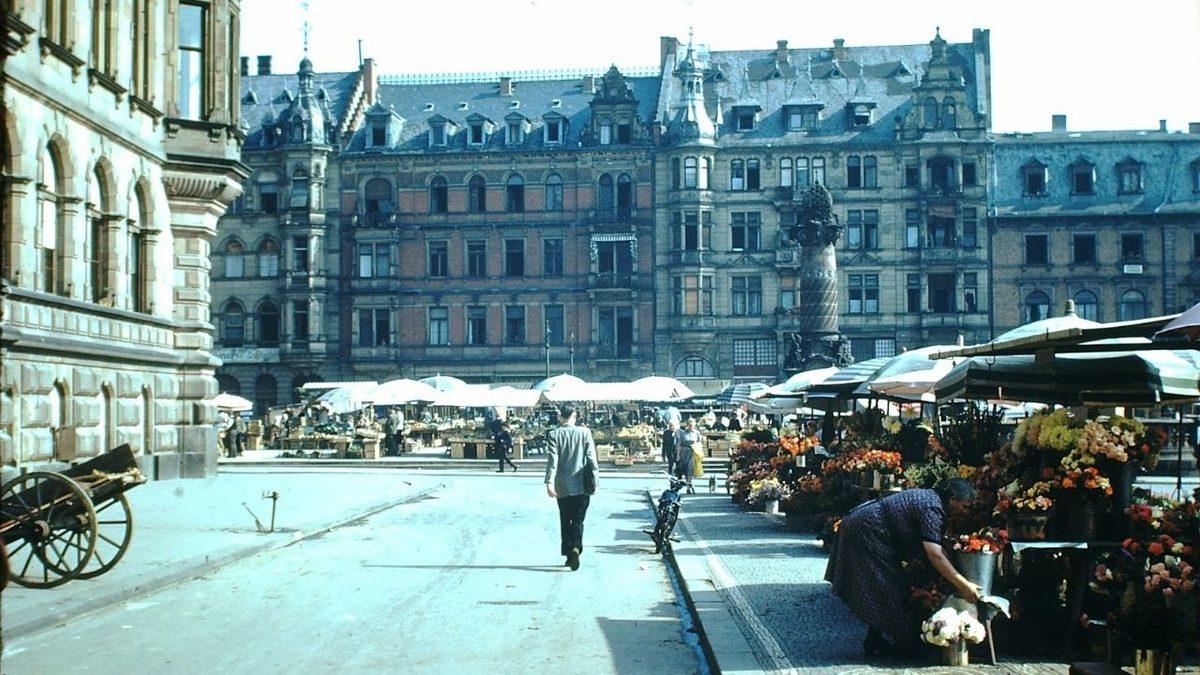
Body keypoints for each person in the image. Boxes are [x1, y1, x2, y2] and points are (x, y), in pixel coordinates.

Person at [824, 478, 982, 658]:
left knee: (881, 584)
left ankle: (876, 640)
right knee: (886, 584)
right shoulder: (932, 508)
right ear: (953, 499)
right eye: (964, 506)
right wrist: (963, 584)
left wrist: (954, 574)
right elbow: (935, 554)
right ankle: (902, 643)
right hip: (866, 531)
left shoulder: (934, 502)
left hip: (868, 528)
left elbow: (938, 549)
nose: (965, 511)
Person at [543, 406, 599, 571]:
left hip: (563, 486)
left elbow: (552, 461)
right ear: (574, 416)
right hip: (582, 485)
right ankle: (576, 547)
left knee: (565, 520)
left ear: (561, 417)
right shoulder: (585, 433)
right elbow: (592, 459)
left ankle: (569, 554)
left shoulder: (554, 435)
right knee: (578, 520)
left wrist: (549, 482)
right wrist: (595, 482)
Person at [672, 418, 700, 493]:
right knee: (683, 469)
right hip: (684, 452)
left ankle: (689, 487)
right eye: (689, 425)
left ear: (694, 425)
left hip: (693, 452)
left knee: (689, 469)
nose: (691, 426)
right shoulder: (683, 433)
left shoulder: (697, 433)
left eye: (692, 425)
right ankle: (680, 485)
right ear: (687, 425)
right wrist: (678, 455)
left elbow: (699, 443)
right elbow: (679, 444)